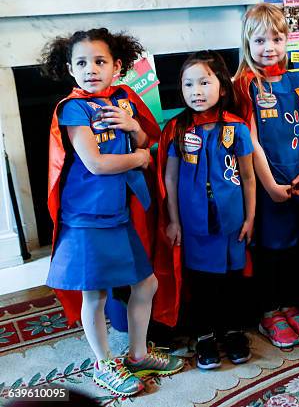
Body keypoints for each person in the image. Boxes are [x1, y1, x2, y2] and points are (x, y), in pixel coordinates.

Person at [42, 28, 183, 397]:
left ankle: (137, 354)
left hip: (119, 211)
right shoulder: (73, 108)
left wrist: (134, 128)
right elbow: (96, 163)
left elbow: (147, 138)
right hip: (87, 216)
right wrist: (140, 158)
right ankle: (104, 364)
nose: (91, 69)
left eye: (100, 61)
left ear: (117, 66)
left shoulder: (124, 98)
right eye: (82, 63)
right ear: (71, 69)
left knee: (146, 282)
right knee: (95, 295)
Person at [152, 51, 256, 369]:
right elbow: (168, 177)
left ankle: (233, 330)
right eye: (188, 84)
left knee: (231, 280)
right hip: (194, 224)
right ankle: (204, 335)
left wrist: (251, 217)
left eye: (203, 82)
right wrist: (172, 220)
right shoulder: (177, 129)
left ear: (222, 88)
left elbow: (249, 176)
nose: (196, 91)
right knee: (201, 282)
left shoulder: (236, 128)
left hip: (232, 223)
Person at [234, 3, 299, 348]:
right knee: (269, 248)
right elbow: (250, 140)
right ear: (247, 44)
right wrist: (269, 184)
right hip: (266, 184)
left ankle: (290, 304)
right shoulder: (245, 84)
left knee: (294, 247)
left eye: (276, 38)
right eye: (260, 41)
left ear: (287, 40)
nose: (269, 47)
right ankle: (269, 311)